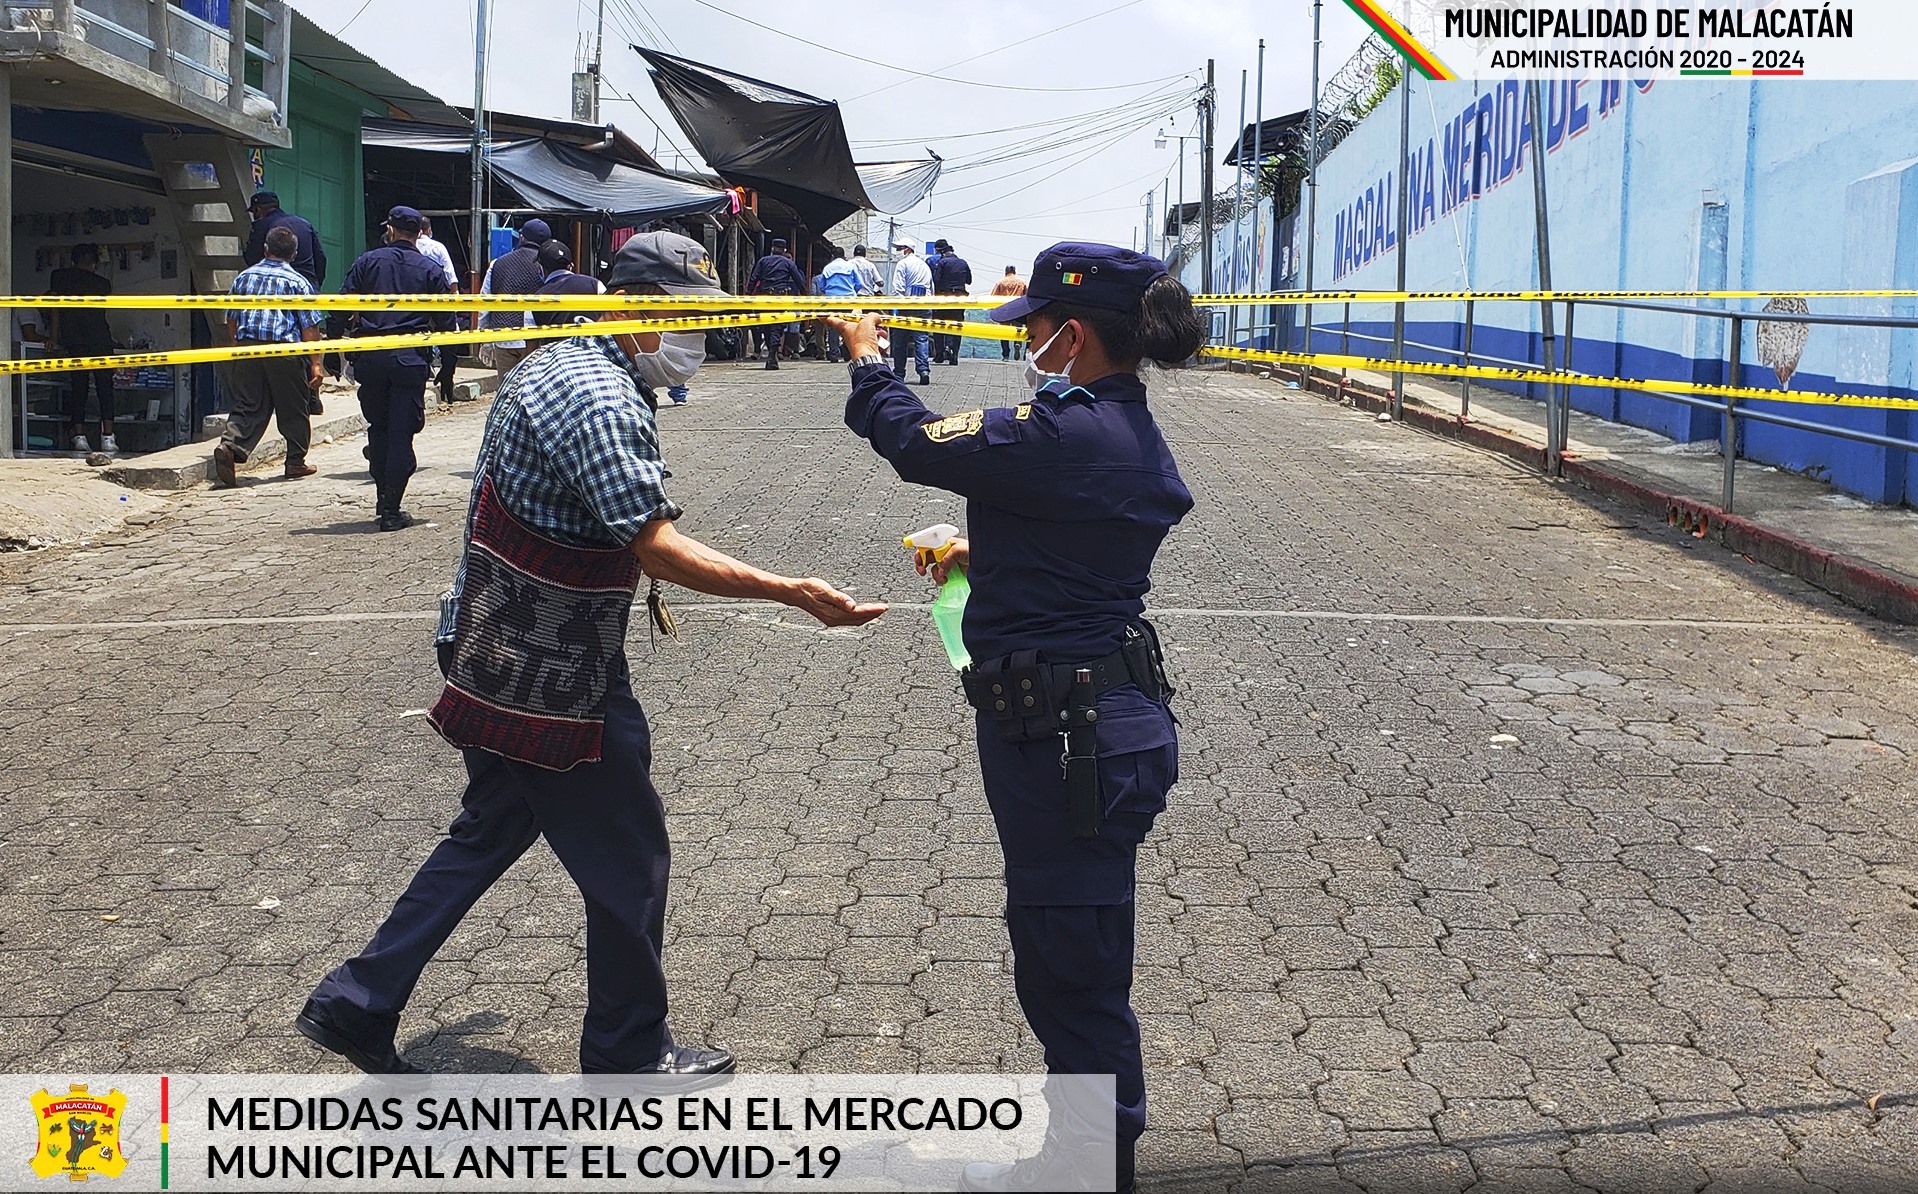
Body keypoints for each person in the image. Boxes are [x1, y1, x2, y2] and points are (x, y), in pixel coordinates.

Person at [298, 231, 886, 1077]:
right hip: (552, 674)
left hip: (493, 642)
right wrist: (792, 591)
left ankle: (357, 1001)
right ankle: (628, 1053)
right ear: (645, 310)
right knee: (630, 858)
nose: (699, 341)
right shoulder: (599, 398)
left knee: (491, 826)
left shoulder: (555, 360)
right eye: (689, 320)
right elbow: (660, 549)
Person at [826, 242, 1203, 1194]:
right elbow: (1072, 547)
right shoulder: (1104, 431)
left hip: (1071, 736)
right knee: (1066, 956)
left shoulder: (1064, 433)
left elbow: (913, 439)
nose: (1023, 341)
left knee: (1071, 970)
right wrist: (983, 556)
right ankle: (1079, 1155)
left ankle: (1090, 1165)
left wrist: (870, 356)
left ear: (1072, 337)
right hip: (1086, 719)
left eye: (1032, 327)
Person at [340, 206, 453, 531]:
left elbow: (342, 304)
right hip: (408, 360)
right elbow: (447, 321)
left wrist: (334, 348)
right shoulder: (431, 269)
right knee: (401, 434)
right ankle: (391, 508)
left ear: (390, 229)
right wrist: (448, 365)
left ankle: (383, 498)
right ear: (419, 232)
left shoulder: (367, 262)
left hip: (371, 356)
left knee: (379, 428)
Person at [212, 227, 325, 487]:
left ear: (265, 249)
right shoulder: (297, 282)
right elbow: (310, 327)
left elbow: (231, 317)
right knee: (293, 407)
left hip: (248, 348)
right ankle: (295, 462)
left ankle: (229, 445)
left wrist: (237, 343)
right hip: (284, 351)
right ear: (294, 254)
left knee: (248, 403)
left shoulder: (244, 277)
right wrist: (316, 364)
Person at [45, 243, 117, 453]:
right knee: (105, 387)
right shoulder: (103, 283)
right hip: (101, 339)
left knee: (79, 387)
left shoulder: (59, 277)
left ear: (74, 260)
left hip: (75, 339)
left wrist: (54, 337)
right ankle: (108, 437)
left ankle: (79, 436)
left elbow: (55, 309)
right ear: (94, 263)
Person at [479, 218, 553, 379]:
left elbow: (485, 301)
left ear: (522, 238)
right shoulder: (548, 266)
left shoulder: (498, 263)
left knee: (506, 392)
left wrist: (484, 337)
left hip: (504, 337)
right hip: (536, 340)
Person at [415, 218, 465, 406]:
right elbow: (451, 278)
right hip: (438, 302)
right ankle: (443, 372)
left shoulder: (401, 252)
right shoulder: (437, 248)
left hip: (412, 306)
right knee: (444, 336)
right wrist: (455, 301)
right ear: (428, 230)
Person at [746, 237, 808, 370]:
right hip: (780, 298)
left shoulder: (763, 261)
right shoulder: (788, 263)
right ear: (784, 250)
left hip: (764, 298)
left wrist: (747, 295)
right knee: (777, 327)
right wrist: (806, 296)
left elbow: (753, 278)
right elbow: (799, 281)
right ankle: (772, 356)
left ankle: (771, 355)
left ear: (772, 249)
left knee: (767, 327)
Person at [243, 191, 325, 290]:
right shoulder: (304, 224)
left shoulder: (261, 225)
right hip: (308, 287)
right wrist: (314, 284)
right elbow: (320, 258)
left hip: (275, 288)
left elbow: (251, 258)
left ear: (257, 209)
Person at [887, 239, 932, 386]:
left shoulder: (903, 264)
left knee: (900, 342)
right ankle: (923, 370)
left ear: (906, 249)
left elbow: (897, 288)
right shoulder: (924, 265)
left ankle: (899, 373)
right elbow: (931, 288)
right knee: (922, 340)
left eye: (899, 248)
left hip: (906, 306)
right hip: (924, 306)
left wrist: (896, 307)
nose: (897, 251)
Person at [532, 239, 603, 328]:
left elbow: (532, 340)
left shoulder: (534, 299)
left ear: (540, 268)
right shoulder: (596, 285)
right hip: (595, 340)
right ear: (571, 266)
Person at [929, 238, 973, 365]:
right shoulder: (963, 263)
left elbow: (936, 280)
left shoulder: (942, 263)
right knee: (957, 327)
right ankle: (955, 356)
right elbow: (969, 281)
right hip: (960, 298)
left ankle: (940, 355)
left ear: (942, 252)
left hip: (944, 297)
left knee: (939, 326)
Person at [817, 248, 861, 363]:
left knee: (833, 327)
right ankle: (847, 353)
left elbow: (821, 286)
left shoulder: (827, 268)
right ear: (844, 255)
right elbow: (859, 283)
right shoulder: (850, 266)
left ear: (833, 256)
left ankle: (834, 354)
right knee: (848, 325)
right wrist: (852, 291)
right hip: (848, 300)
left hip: (832, 300)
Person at [993, 267, 1028, 361]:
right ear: (1015, 272)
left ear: (1006, 272)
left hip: (1004, 310)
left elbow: (993, 297)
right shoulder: (1022, 282)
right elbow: (1026, 296)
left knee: (1004, 333)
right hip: (1018, 310)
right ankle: (1017, 343)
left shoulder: (1001, 282)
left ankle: (1006, 355)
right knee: (1018, 329)